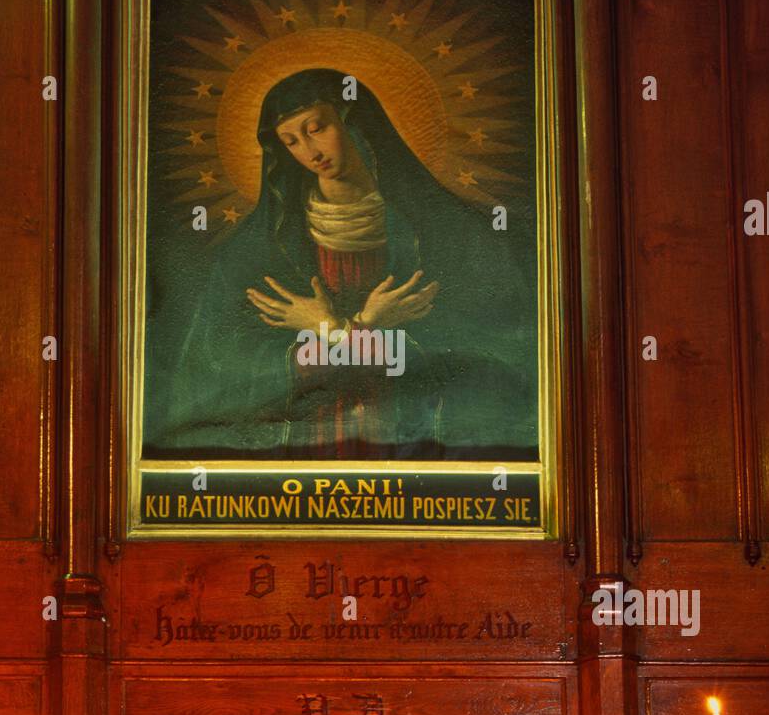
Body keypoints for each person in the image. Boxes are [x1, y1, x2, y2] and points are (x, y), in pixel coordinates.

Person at [144, 68, 537, 459]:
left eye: (317, 128)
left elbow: (499, 348)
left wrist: (335, 334)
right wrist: (351, 331)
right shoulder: (259, 247)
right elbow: (214, 366)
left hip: (413, 446)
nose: (310, 152)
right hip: (301, 452)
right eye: (291, 141)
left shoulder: (447, 231)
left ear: (355, 123)